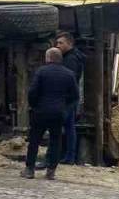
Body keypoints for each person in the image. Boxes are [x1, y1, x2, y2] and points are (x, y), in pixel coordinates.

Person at [22, 47, 78, 180]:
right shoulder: (69, 74)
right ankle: (51, 171)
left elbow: (33, 91)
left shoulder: (41, 71)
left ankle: (29, 169)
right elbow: (75, 96)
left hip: (41, 111)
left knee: (34, 140)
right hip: (58, 112)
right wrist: (65, 108)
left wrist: (34, 105)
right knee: (55, 141)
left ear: (48, 58)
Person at [55, 32, 86, 165]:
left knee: (63, 127)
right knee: (69, 127)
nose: (58, 45)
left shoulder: (70, 59)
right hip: (71, 98)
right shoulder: (72, 57)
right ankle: (68, 156)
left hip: (67, 99)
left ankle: (65, 156)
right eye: (57, 43)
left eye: (61, 43)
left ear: (69, 43)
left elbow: (69, 80)